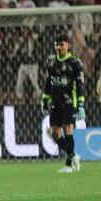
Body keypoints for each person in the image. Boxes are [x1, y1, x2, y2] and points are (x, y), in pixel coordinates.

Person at [41, 35, 86, 174]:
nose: (59, 47)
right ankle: (73, 155)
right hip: (55, 102)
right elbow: (48, 83)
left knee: (68, 131)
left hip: (69, 102)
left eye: (61, 44)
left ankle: (68, 165)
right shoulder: (51, 62)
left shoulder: (75, 63)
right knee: (55, 133)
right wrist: (44, 99)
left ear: (68, 45)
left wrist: (80, 104)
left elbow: (80, 86)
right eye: (57, 45)